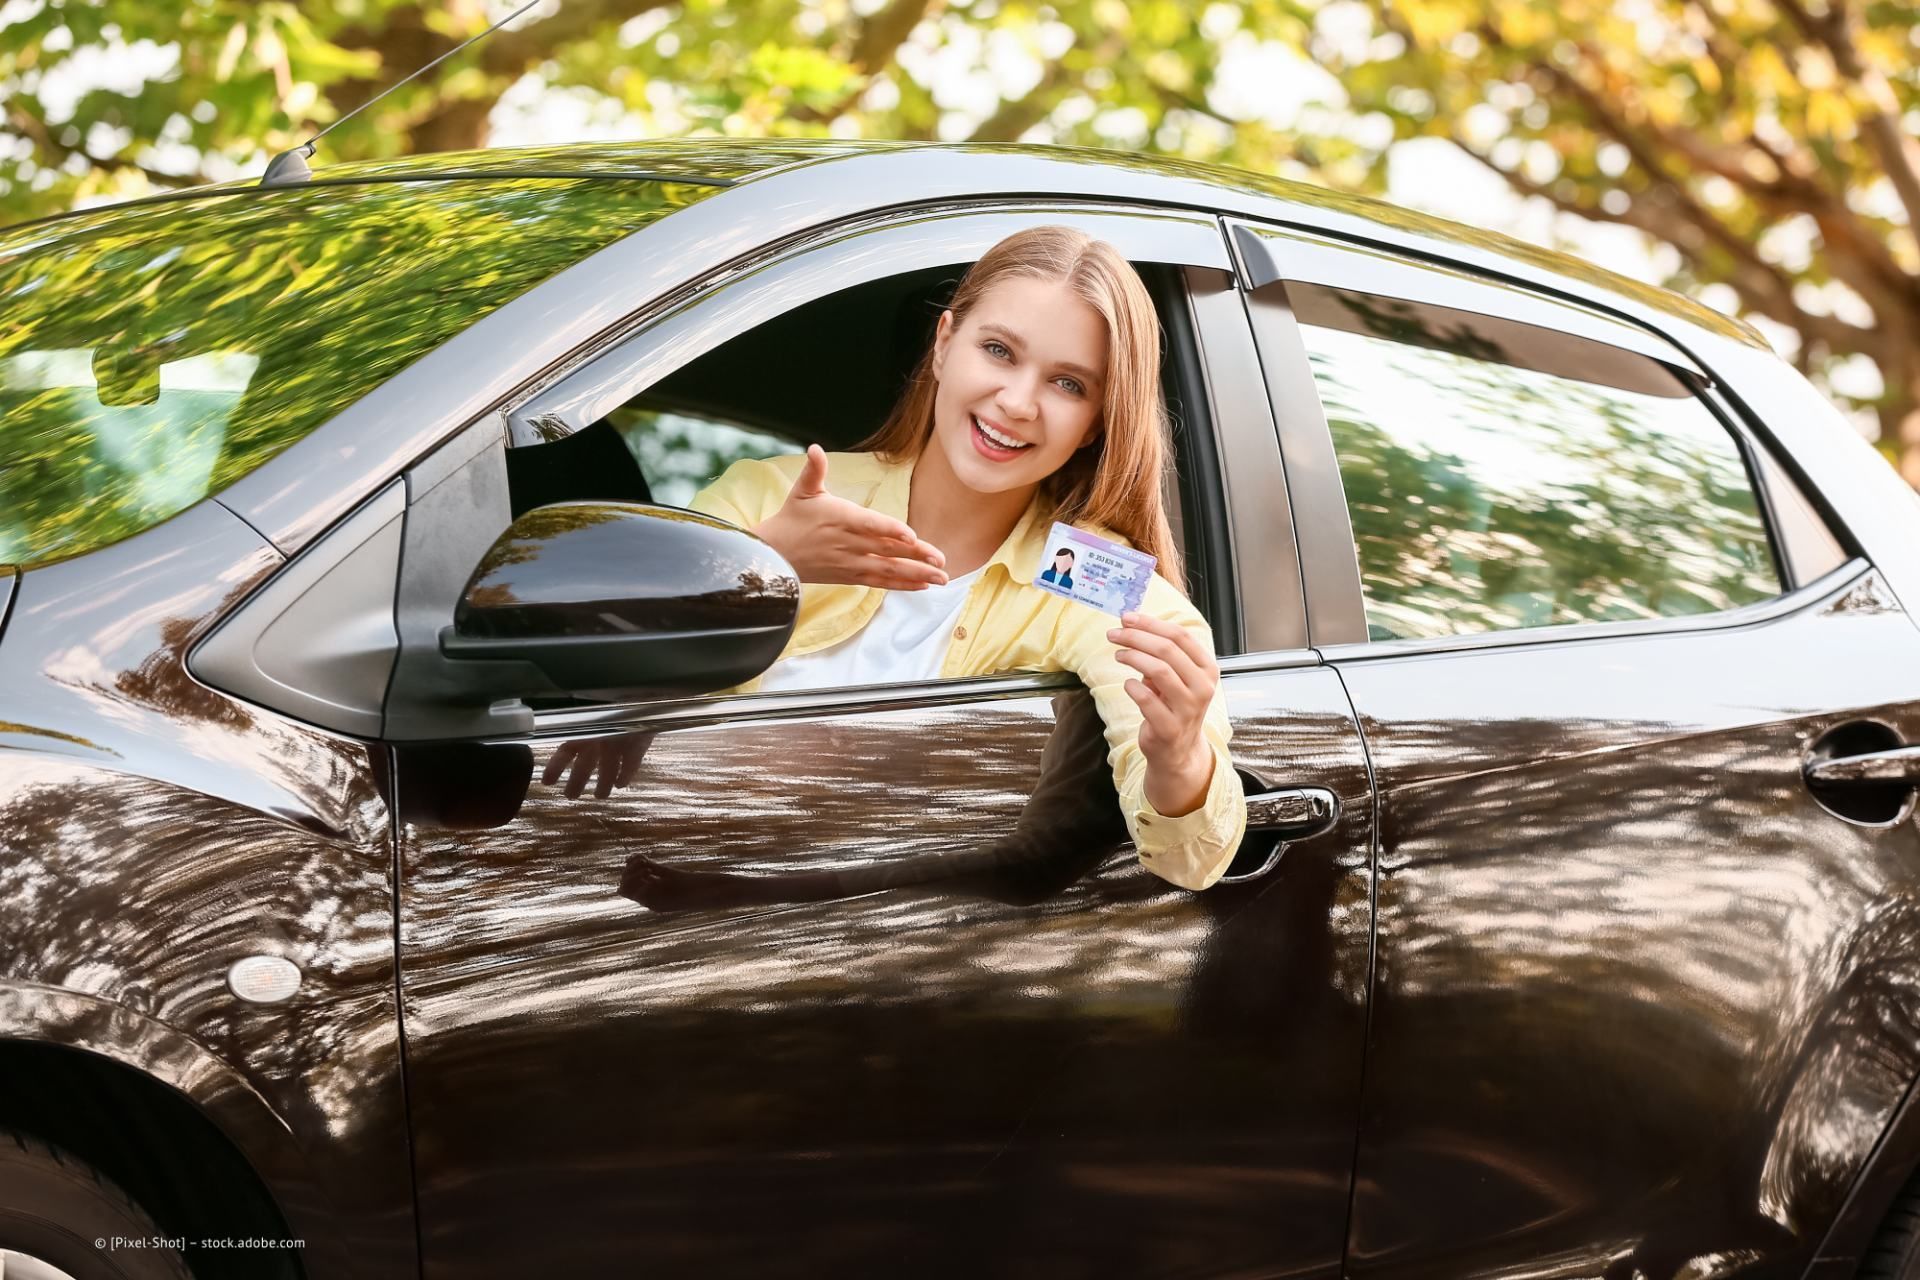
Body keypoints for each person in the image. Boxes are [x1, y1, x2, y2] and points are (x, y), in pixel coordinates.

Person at [688, 225, 1247, 891]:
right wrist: (763, 565)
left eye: (1068, 384)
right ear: (945, 342)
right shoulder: (764, 495)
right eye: (998, 350)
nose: (1017, 402)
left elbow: (1195, 861)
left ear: (1098, 420)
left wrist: (1179, 757)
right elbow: (603, 650)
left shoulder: (1100, 580)